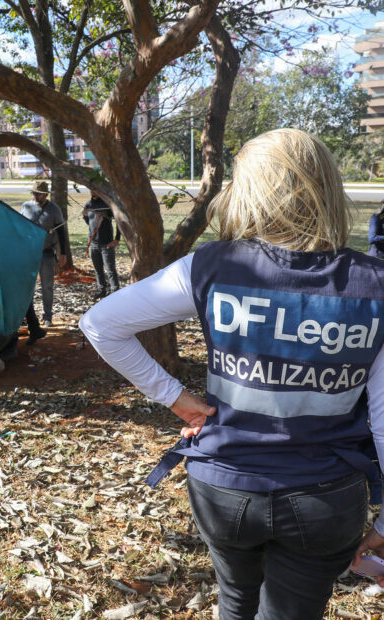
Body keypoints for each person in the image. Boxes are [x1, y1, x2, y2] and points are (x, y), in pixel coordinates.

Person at [80, 128, 384, 619]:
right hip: (325, 497)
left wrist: (174, 397)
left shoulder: (212, 267)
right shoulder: (375, 286)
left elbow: (101, 324)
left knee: (236, 601)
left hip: (223, 488)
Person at [20, 180, 66, 340]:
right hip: (28, 253)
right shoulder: (25, 206)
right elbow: (19, 227)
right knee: (27, 287)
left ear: (46, 194)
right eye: (34, 193)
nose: (35, 196)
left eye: (39, 194)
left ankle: (47, 316)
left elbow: (61, 232)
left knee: (47, 286)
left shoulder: (54, 209)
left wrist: (63, 253)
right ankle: (27, 316)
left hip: (46, 252)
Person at [83, 190, 121, 298]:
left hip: (107, 244)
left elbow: (119, 221)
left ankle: (116, 293)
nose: (93, 192)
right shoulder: (88, 204)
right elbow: (89, 221)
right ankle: (102, 291)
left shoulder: (107, 204)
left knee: (110, 270)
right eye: (91, 190)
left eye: (95, 190)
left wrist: (117, 239)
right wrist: (85, 216)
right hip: (93, 243)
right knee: (98, 270)